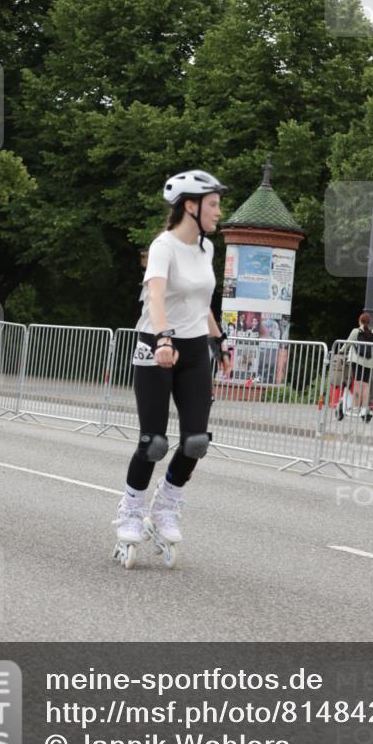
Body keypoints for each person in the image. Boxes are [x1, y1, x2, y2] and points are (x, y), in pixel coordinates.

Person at [112, 170, 232, 569]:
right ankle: (131, 510)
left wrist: (219, 339)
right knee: (154, 442)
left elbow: (201, 303)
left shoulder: (206, 248)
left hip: (196, 348)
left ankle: (165, 505)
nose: (219, 211)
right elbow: (157, 295)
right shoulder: (163, 246)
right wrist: (163, 338)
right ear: (190, 206)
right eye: (213, 204)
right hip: (156, 346)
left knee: (196, 441)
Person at [337, 311, 373, 423]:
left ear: (360, 321)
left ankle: (356, 407)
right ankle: (364, 408)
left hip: (357, 360)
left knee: (357, 382)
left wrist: (340, 351)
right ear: (369, 322)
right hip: (369, 362)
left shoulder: (356, 331)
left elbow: (347, 344)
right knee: (365, 384)